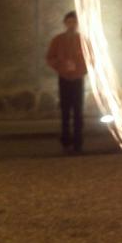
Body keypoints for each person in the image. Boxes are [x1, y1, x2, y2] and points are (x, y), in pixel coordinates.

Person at [46, 11, 87, 155]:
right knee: (65, 110)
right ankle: (65, 141)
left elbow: (91, 59)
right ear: (65, 23)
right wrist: (62, 65)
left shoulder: (83, 40)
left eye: (74, 22)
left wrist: (79, 68)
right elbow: (50, 57)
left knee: (78, 111)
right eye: (69, 22)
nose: (71, 25)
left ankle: (77, 142)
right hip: (64, 78)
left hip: (77, 79)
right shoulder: (58, 40)